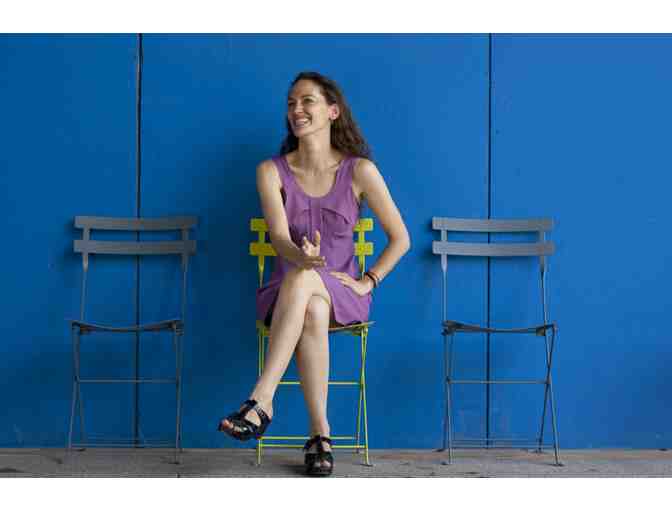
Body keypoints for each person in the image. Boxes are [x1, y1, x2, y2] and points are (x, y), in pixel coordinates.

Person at [218, 71, 410, 476]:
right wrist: (299, 256)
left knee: (312, 290)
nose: (297, 110)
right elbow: (279, 238)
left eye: (307, 101)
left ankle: (262, 400)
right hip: (286, 293)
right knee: (309, 299)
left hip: (343, 291)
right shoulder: (270, 171)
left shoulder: (360, 171)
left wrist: (368, 281)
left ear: (333, 112)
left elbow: (401, 238)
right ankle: (320, 434)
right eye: (291, 103)